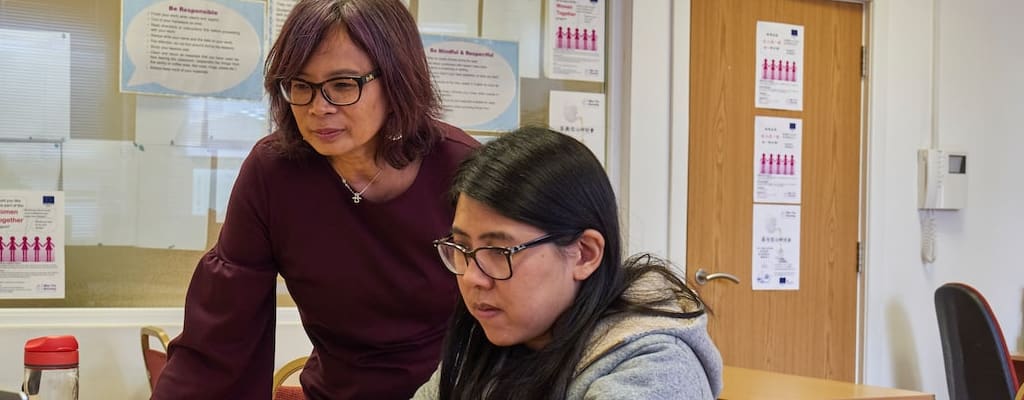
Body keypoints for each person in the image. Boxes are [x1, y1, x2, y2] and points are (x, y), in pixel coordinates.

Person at [151, 0, 478, 399]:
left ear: (397, 81)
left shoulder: (463, 167)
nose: (318, 108)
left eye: (343, 85)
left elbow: (517, 310)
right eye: (301, 86)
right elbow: (218, 335)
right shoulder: (273, 173)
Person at [412, 127, 723, 400]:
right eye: (463, 247)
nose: (471, 278)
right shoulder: (483, 344)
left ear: (585, 254)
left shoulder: (655, 370)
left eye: (498, 251)